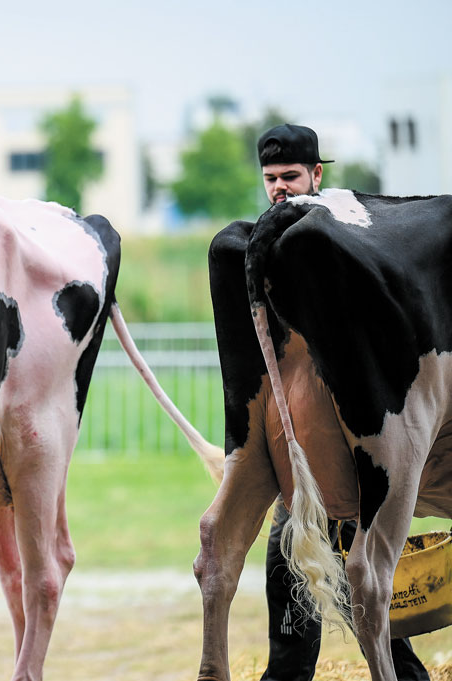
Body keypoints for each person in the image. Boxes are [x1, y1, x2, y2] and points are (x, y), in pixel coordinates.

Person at [256, 124, 429, 681]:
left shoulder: (355, 246)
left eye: (290, 177)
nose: (280, 188)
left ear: (317, 176)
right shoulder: (262, 251)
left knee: (371, 591)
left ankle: (406, 672)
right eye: (271, 179)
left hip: (363, 452)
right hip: (301, 452)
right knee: (287, 580)